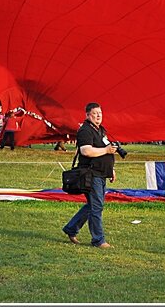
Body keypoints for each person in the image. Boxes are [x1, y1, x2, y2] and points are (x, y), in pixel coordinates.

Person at [61, 102, 119, 249]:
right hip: (91, 174)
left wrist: (110, 169)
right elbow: (86, 151)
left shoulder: (100, 130)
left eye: (100, 113)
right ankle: (98, 240)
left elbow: (105, 149)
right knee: (96, 206)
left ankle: (71, 228)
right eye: (95, 113)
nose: (98, 116)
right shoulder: (85, 131)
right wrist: (106, 151)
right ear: (87, 115)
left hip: (101, 173)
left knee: (93, 205)